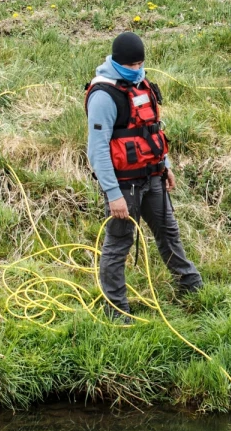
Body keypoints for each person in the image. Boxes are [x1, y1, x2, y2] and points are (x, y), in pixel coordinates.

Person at [85, 32, 203, 320]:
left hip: (153, 178)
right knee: (118, 244)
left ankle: (192, 287)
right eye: (133, 65)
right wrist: (113, 195)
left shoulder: (143, 86)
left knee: (169, 233)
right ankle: (116, 309)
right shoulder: (103, 95)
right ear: (118, 62)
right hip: (124, 186)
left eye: (141, 63)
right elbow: (97, 151)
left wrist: (166, 165)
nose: (138, 69)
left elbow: (152, 130)